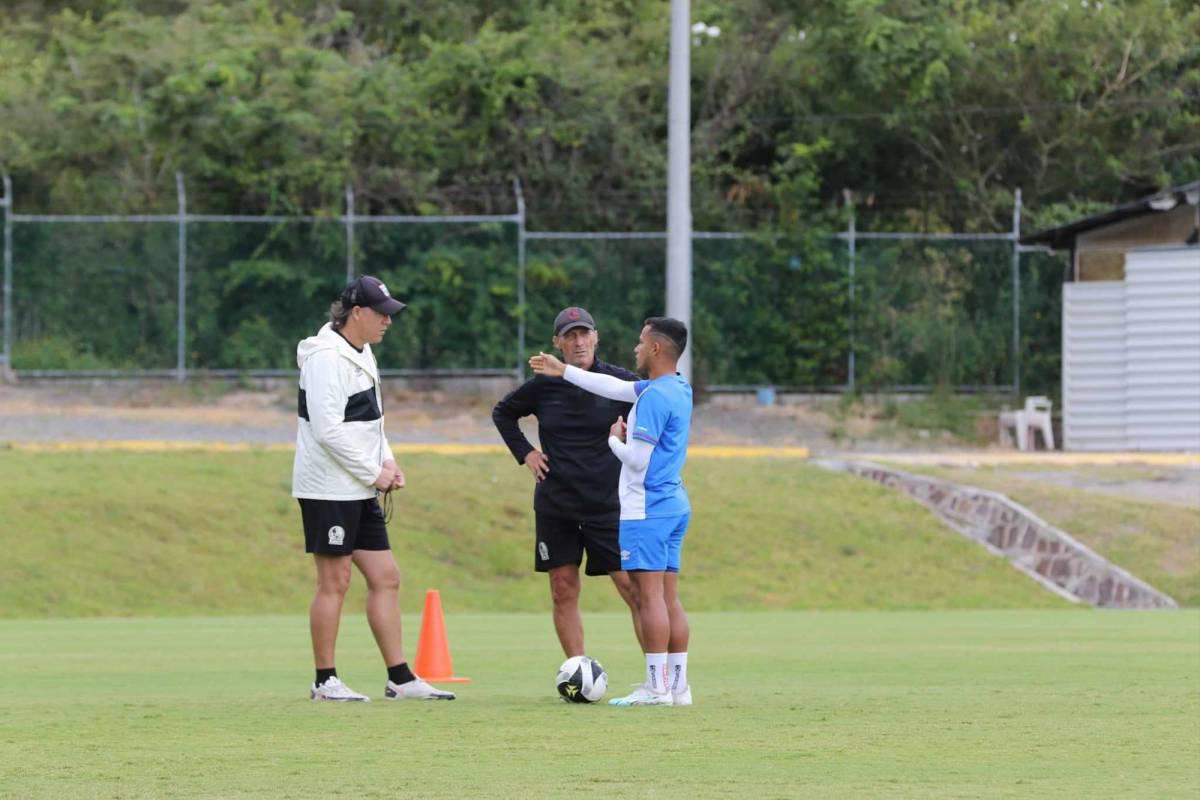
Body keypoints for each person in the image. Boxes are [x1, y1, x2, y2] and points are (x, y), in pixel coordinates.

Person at [293, 275, 455, 702]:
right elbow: (327, 430)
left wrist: (387, 459)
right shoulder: (326, 358)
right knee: (336, 581)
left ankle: (399, 678)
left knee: (387, 577)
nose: (388, 322)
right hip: (328, 486)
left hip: (359, 484)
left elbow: (370, 419)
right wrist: (372, 471)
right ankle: (324, 680)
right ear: (357, 313)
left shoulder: (361, 353)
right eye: (381, 314)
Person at [529, 317, 693, 707]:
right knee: (669, 600)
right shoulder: (677, 387)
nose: (635, 349)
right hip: (674, 504)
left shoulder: (652, 398)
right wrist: (565, 371)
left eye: (640, 342)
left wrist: (613, 440)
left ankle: (656, 688)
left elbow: (636, 461)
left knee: (650, 599)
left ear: (655, 349)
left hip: (646, 508)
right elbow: (615, 386)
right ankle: (678, 687)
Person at [492, 306, 644, 658]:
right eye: (570, 335)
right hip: (556, 503)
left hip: (607, 504)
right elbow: (503, 413)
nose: (578, 342)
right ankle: (577, 671)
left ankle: (657, 676)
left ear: (596, 337)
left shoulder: (617, 383)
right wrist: (526, 453)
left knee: (632, 589)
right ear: (557, 342)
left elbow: (654, 408)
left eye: (584, 334)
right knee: (562, 588)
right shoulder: (543, 386)